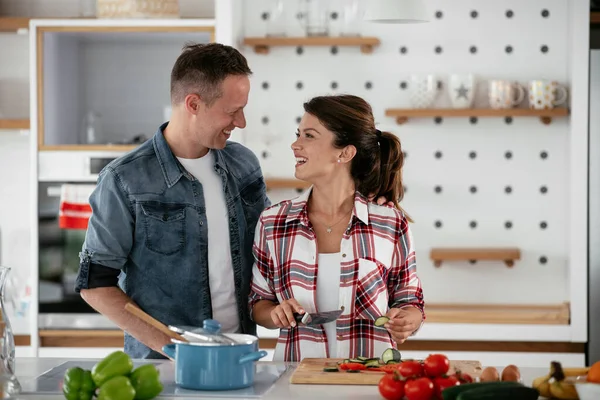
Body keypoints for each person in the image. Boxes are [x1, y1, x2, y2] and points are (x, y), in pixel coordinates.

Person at [74, 42, 270, 359]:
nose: (242, 122)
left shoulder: (244, 165)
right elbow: (95, 284)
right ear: (193, 104)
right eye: (233, 111)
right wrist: (174, 347)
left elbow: (269, 250)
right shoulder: (124, 179)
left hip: (239, 359)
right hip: (162, 367)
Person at [248, 94, 425, 361]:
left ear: (345, 152)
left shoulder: (389, 222)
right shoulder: (274, 222)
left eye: (309, 135)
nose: (295, 145)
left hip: (370, 382)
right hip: (297, 381)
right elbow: (257, 304)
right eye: (299, 134)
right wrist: (276, 314)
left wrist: (408, 320)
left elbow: (411, 302)